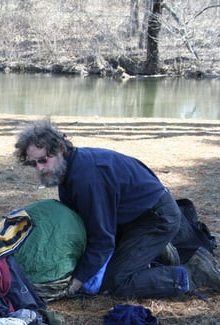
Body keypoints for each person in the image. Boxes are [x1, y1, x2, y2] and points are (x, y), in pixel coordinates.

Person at [13, 118, 220, 299]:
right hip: (131, 218)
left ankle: (190, 273)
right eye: (34, 164)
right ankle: (154, 253)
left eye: (43, 160)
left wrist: (77, 281)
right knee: (112, 266)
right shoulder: (70, 168)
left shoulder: (86, 178)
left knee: (118, 281)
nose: (40, 168)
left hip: (156, 219)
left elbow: (102, 238)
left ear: (59, 149)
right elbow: (85, 223)